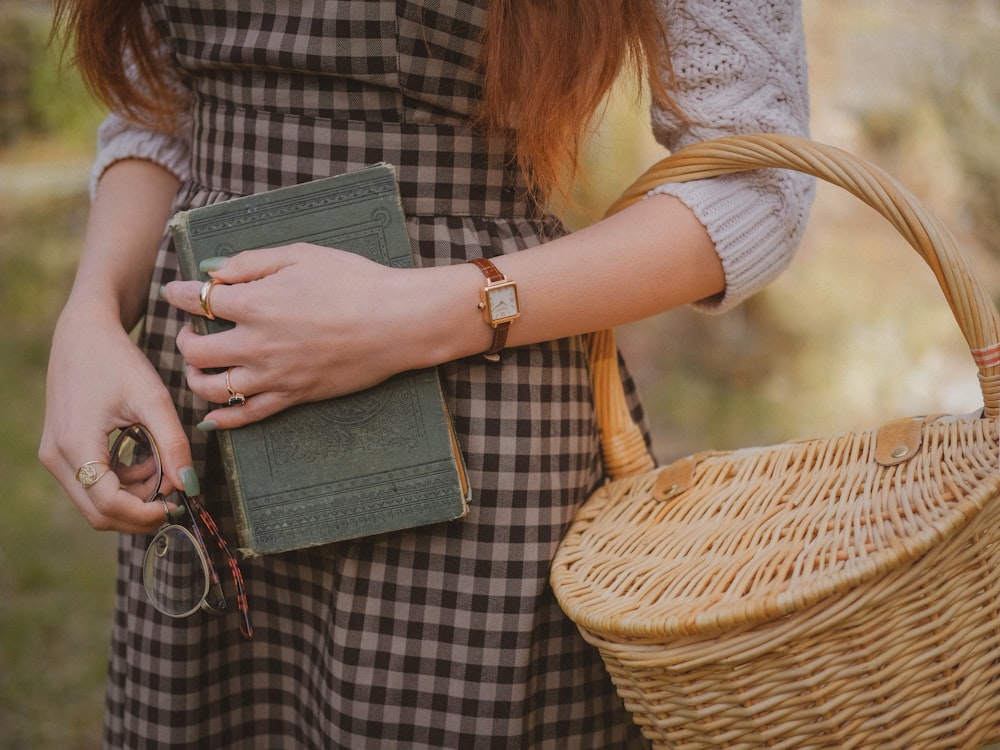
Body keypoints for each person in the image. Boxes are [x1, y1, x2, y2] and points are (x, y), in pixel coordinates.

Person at [40, 0, 814, 747]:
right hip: (212, 415)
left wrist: (414, 316)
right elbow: (161, 110)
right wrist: (93, 313)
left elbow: (755, 178)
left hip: (470, 426)